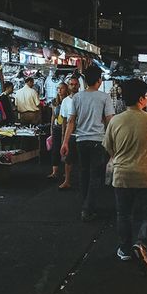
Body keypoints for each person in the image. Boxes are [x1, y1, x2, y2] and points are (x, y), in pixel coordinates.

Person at [103, 79, 147, 274]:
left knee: (123, 214)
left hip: (122, 176)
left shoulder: (116, 120)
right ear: (141, 98)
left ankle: (124, 249)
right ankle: (142, 243)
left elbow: (109, 148)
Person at [61, 65, 115, 222]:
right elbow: (109, 122)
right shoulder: (104, 97)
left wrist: (65, 142)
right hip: (98, 141)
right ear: (99, 81)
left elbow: (71, 122)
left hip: (81, 141)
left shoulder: (77, 97)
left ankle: (86, 204)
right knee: (95, 176)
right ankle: (88, 208)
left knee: (84, 174)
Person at [57, 77, 80, 190]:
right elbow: (64, 121)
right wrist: (63, 138)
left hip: (83, 134)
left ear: (79, 85)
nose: (74, 86)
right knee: (68, 159)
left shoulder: (83, 98)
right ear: (68, 86)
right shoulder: (65, 101)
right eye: (71, 84)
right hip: (71, 135)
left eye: (75, 84)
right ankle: (67, 180)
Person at [48, 82, 68, 182]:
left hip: (66, 128)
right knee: (55, 149)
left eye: (62, 88)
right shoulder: (54, 102)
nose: (59, 90)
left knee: (66, 149)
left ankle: (66, 171)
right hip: (57, 127)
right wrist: (51, 127)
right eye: (58, 88)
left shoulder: (68, 101)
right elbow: (53, 115)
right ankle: (55, 171)